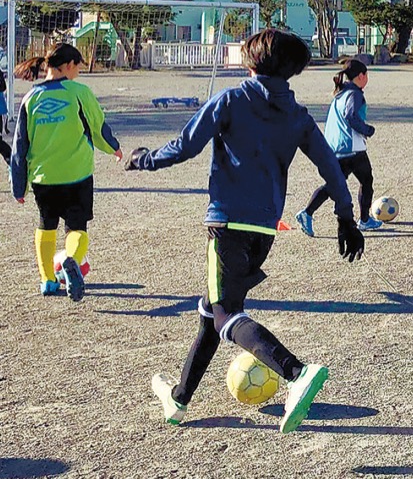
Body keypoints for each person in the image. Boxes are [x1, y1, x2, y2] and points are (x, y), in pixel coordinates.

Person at [124, 29, 365, 433]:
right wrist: (346, 217)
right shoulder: (298, 114)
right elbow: (329, 167)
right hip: (263, 231)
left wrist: (144, 159)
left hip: (226, 225)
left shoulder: (233, 99)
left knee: (225, 315)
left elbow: (186, 145)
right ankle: (179, 399)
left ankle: (296, 372)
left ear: (251, 60)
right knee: (210, 311)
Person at [10, 44, 121, 300]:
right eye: (79, 66)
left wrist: (19, 184)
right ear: (69, 65)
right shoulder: (79, 92)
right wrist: (114, 148)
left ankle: (48, 280)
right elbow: (98, 126)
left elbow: (20, 145)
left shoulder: (31, 98)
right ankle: (71, 260)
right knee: (76, 227)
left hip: (43, 177)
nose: (79, 71)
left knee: (46, 225)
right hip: (76, 173)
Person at [295, 58, 380, 235]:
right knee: (365, 181)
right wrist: (367, 129)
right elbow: (350, 116)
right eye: (367, 75)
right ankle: (364, 220)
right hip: (351, 148)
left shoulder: (340, 93)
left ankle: (307, 213)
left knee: (336, 184)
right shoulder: (355, 94)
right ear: (361, 76)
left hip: (337, 147)